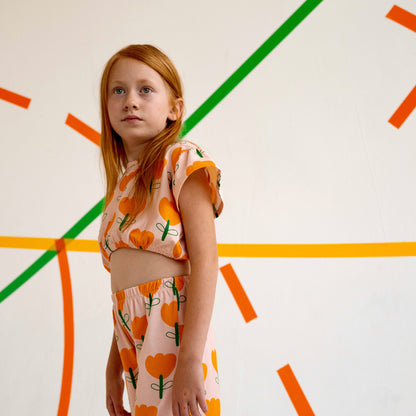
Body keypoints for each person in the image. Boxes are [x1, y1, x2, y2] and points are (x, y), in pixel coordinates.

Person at [98, 44, 223, 416]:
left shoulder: (182, 160)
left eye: (145, 89)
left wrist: (190, 359)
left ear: (174, 109)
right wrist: (113, 366)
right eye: (118, 90)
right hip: (131, 336)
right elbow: (129, 294)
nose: (130, 101)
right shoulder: (121, 185)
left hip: (174, 332)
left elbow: (206, 261)